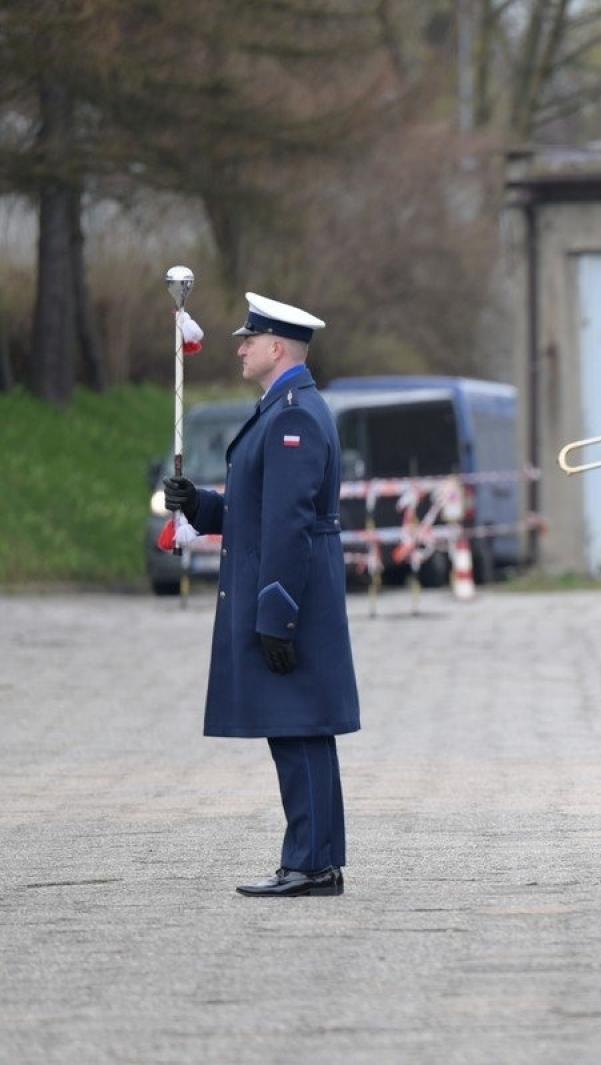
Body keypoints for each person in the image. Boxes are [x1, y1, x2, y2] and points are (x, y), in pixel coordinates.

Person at [163, 292, 359, 898]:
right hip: (296, 593)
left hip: (290, 597)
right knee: (302, 729)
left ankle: (308, 865)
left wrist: (275, 612)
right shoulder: (285, 407)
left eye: (249, 339)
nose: (241, 347)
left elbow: (288, 524)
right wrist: (199, 504)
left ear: (277, 348)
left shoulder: (293, 415)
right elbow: (257, 509)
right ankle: (316, 861)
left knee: (296, 727)